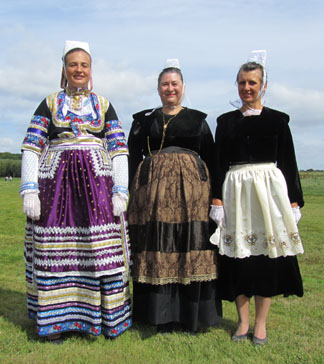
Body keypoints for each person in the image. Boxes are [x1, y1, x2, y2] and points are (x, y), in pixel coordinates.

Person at [20, 40, 131, 341]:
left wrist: (121, 190)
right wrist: (29, 189)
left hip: (98, 188)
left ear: (90, 69)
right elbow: (32, 146)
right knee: (53, 251)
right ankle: (57, 322)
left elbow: (119, 149)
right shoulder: (50, 102)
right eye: (73, 64)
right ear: (65, 69)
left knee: (98, 251)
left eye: (84, 65)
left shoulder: (104, 105)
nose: (78, 69)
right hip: (55, 188)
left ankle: (101, 320)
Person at [210, 50, 304, 345]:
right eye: (241, 83)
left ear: (264, 85)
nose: (246, 88)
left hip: (268, 194)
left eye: (252, 82)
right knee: (239, 258)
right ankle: (242, 323)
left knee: (265, 259)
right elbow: (217, 163)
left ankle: (261, 325)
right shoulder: (225, 122)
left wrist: (294, 201)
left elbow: (288, 161)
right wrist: (216, 200)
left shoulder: (278, 121)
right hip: (235, 193)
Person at [127, 59, 222, 334]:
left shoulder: (199, 121)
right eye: (165, 84)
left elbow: (213, 159)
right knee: (157, 244)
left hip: (193, 196)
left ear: (183, 87)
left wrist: (216, 198)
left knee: (187, 244)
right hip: (152, 195)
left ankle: (190, 316)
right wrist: (128, 192)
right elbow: (133, 156)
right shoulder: (143, 120)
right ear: (158, 88)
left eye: (175, 84)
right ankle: (158, 316)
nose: (170, 89)